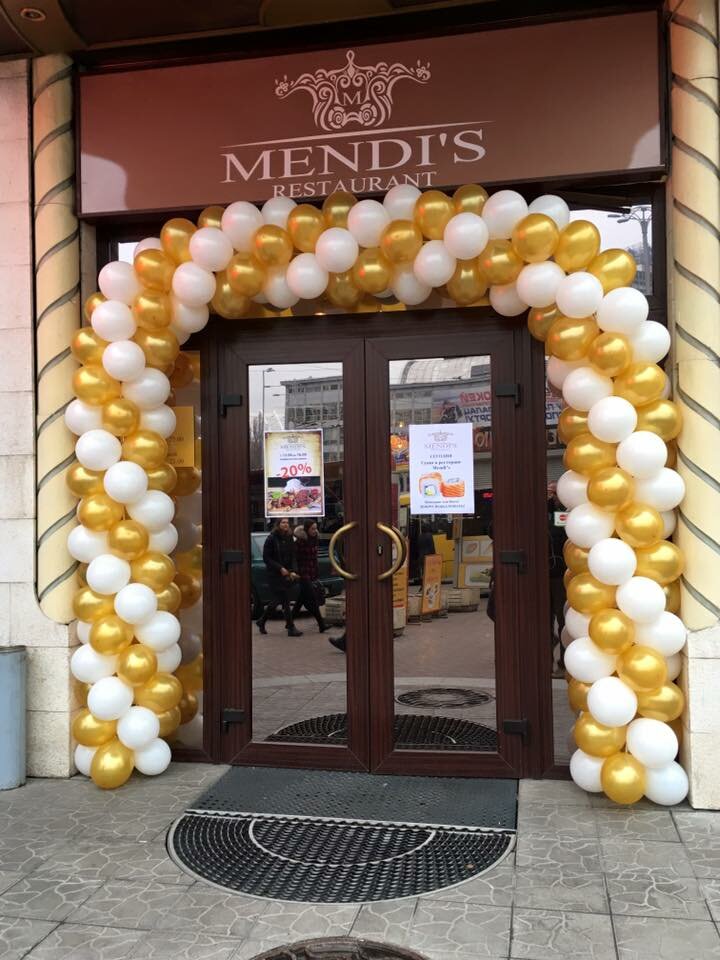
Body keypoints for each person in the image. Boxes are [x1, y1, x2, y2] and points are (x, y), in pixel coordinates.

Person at [256, 517, 302, 637]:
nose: (286, 524)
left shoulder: (289, 538)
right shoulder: (271, 538)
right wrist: (279, 568)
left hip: (286, 573)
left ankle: (262, 621)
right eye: (283, 522)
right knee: (284, 599)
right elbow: (266, 558)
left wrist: (293, 570)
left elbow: (293, 556)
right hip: (275, 574)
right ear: (278, 524)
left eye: (287, 522)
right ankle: (290, 627)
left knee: (280, 600)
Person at [292, 520, 327, 633]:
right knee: (312, 598)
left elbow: (314, 558)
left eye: (316, 528)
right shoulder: (300, 541)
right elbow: (295, 558)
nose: (315, 530)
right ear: (307, 529)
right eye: (312, 528)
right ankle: (321, 624)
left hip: (311, 572)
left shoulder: (315, 539)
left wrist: (316, 572)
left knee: (301, 599)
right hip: (302, 573)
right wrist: (296, 572)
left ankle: (289, 622)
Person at [547, 481, 568, 673]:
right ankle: (545, 663)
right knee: (543, 621)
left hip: (560, 576)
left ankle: (563, 662)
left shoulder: (563, 514)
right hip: (540, 576)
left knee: (563, 621)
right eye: (548, 492)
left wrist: (556, 507)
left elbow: (562, 534)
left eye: (554, 493)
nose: (550, 496)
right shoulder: (538, 514)